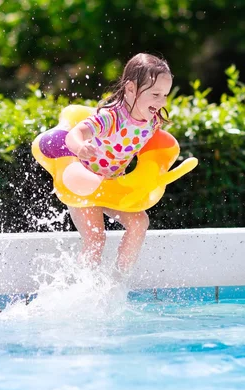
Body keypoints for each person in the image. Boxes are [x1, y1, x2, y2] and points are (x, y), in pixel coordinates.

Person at [64, 53, 173, 275]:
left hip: (111, 187)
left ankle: (118, 282)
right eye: (155, 94)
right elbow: (74, 133)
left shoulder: (151, 122)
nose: (161, 102)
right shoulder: (111, 118)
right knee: (96, 238)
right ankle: (78, 287)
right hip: (85, 185)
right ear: (131, 88)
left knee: (139, 223)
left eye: (165, 95)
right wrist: (80, 147)